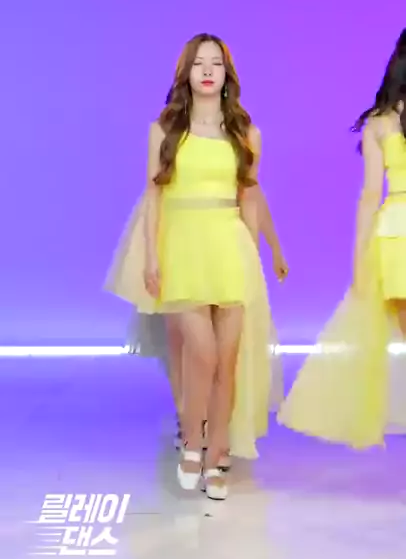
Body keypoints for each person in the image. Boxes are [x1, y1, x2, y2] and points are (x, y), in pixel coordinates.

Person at [105, 33, 277, 499]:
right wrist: (152, 256)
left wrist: (256, 259)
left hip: (230, 247)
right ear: (186, 72)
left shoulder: (245, 133)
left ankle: (218, 452)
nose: (207, 71)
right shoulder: (164, 130)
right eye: (199, 63)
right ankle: (193, 442)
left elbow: (249, 199)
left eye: (215, 63)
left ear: (226, 74)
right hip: (182, 247)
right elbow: (154, 196)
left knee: (227, 360)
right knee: (200, 352)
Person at [277, 29, 406, 447]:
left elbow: (369, 197)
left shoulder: (381, 123)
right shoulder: (381, 123)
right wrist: (358, 262)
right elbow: (369, 196)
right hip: (397, 238)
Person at [126, 186, 288, 468]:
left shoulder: (239, 155)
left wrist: (265, 248)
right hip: (173, 223)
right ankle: (189, 421)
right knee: (179, 333)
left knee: (215, 345)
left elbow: (249, 190)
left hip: (220, 230)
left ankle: (212, 431)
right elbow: (156, 188)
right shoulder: (168, 154)